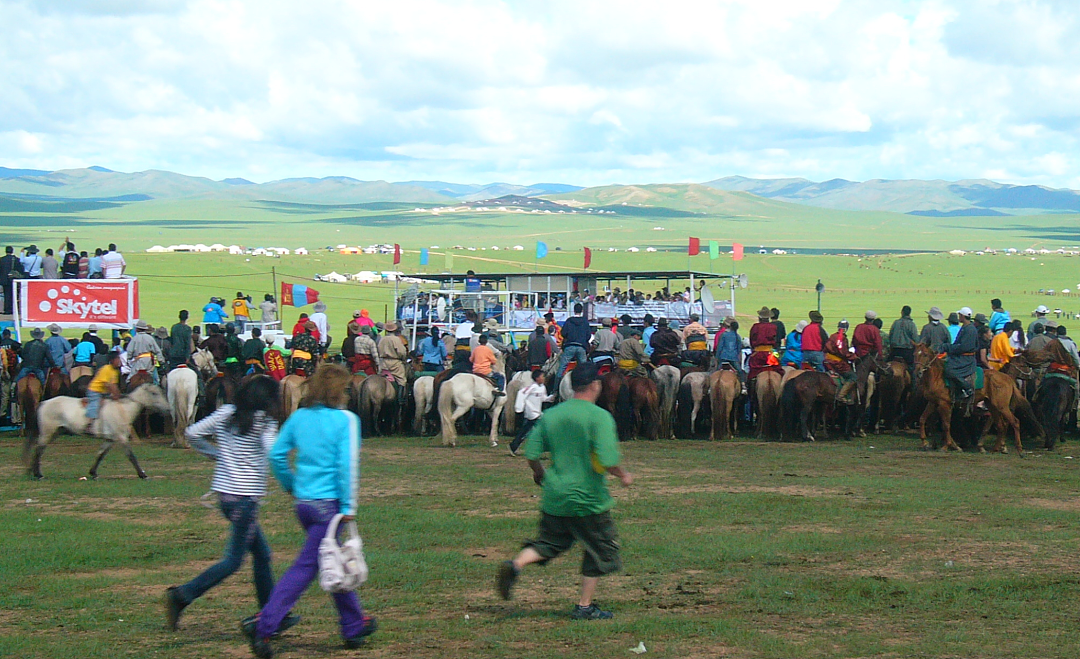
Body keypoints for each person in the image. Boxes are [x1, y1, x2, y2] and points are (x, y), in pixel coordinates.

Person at [244, 365, 375, 657]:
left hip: (303, 504)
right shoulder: (346, 420)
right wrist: (349, 505)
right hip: (329, 507)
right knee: (305, 568)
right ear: (340, 391)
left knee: (331, 558)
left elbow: (277, 455)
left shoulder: (300, 417)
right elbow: (346, 466)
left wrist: (291, 485)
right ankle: (263, 626)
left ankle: (354, 624)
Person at [496, 362, 632, 620]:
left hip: (555, 496)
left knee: (549, 543)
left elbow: (532, 452)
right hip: (589, 499)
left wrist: (539, 472)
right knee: (599, 549)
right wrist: (623, 475)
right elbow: (607, 458)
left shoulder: (552, 414)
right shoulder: (599, 417)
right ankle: (584, 607)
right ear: (595, 385)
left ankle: (515, 564)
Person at [164, 377, 294, 634]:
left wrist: (216, 454)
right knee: (233, 561)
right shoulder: (264, 422)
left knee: (262, 555)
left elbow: (191, 433)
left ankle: (273, 614)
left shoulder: (226, 413)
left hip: (225, 496)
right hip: (245, 499)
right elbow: (272, 452)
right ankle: (182, 595)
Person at [510, 369, 554, 455]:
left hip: (537, 413)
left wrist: (550, 398)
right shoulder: (531, 387)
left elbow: (543, 398)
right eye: (542, 376)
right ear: (537, 378)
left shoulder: (542, 387)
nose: (544, 378)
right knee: (538, 429)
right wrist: (519, 408)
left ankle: (514, 445)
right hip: (532, 413)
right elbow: (521, 393)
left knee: (525, 431)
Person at [945, 307, 978, 415]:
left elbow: (963, 347)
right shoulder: (965, 327)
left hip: (966, 359)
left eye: (960, 315)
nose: (959, 317)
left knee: (949, 370)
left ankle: (967, 388)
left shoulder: (970, 329)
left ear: (963, 316)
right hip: (962, 356)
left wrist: (948, 348)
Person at [85, 350, 122, 432]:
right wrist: (114, 394)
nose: (119, 361)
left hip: (104, 392)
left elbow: (114, 385)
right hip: (95, 390)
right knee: (95, 404)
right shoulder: (106, 369)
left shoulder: (115, 371)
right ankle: (90, 424)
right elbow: (107, 384)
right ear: (112, 360)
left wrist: (118, 394)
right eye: (117, 359)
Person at [556, 304, 591, 386]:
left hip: (570, 346)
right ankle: (586, 388)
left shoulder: (569, 321)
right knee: (584, 370)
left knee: (562, 368)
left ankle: (555, 390)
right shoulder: (585, 321)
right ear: (581, 311)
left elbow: (563, 333)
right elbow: (588, 336)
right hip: (581, 347)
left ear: (574, 310)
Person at [824, 320, 856, 403]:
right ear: (846, 328)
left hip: (827, 360)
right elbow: (843, 353)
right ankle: (841, 396)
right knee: (853, 377)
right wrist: (853, 356)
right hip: (837, 363)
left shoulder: (832, 336)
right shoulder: (842, 338)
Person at [747, 307, 781, 383]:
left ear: (760, 317)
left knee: (752, 373)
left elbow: (751, 340)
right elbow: (776, 340)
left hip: (757, 354)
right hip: (770, 354)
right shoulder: (774, 327)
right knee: (779, 370)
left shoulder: (755, 327)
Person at [377, 322, 409, 402]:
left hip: (383, 363)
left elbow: (378, 350)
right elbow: (402, 352)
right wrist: (403, 358)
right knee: (402, 380)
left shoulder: (382, 339)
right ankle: (400, 400)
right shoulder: (396, 339)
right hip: (394, 363)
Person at [0, 246, 21, 314]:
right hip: (13, 279)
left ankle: (7, 309)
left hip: (4, 279)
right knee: (14, 294)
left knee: (6, 295)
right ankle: (13, 309)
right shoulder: (16, 259)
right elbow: (20, 269)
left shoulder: (2, 259)